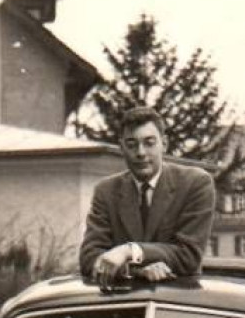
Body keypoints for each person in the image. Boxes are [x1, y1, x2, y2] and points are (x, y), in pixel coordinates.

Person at [79, 106, 216, 289]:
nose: (141, 152)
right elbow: (89, 259)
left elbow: (188, 256)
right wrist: (137, 271)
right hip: (121, 306)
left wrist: (129, 251)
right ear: (122, 147)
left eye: (149, 143)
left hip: (179, 305)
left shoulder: (195, 183)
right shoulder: (107, 191)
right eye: (131, 144)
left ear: (164, 144)